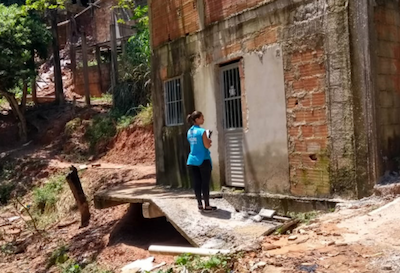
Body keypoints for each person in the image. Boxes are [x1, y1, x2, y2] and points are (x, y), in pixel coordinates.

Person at [186, 111, 217, 212]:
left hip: (192, 159)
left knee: (197, 182)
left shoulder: (189, 132)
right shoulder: (202, 131)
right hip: (203, 159)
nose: (203, 119)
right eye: (202, 118)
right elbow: (207, 145)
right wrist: (209, 140)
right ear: (197, 119)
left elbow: (194, 144)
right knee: (205, 183)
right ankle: (207, 205)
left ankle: (199, 204)